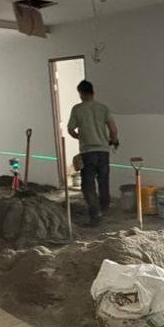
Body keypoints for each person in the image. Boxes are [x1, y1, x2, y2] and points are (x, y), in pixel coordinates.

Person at [67, 80, 118, 225]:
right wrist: (113, 141)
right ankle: (104, 208)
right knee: (103, 182)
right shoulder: (103, 108)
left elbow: (71, 129)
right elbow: (113, 130)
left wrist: (79, 136)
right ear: (93, 92)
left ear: (81, 93)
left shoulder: (77, 109)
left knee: (87, 185)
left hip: (88, 152)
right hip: (103, 152)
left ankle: (95, 214)